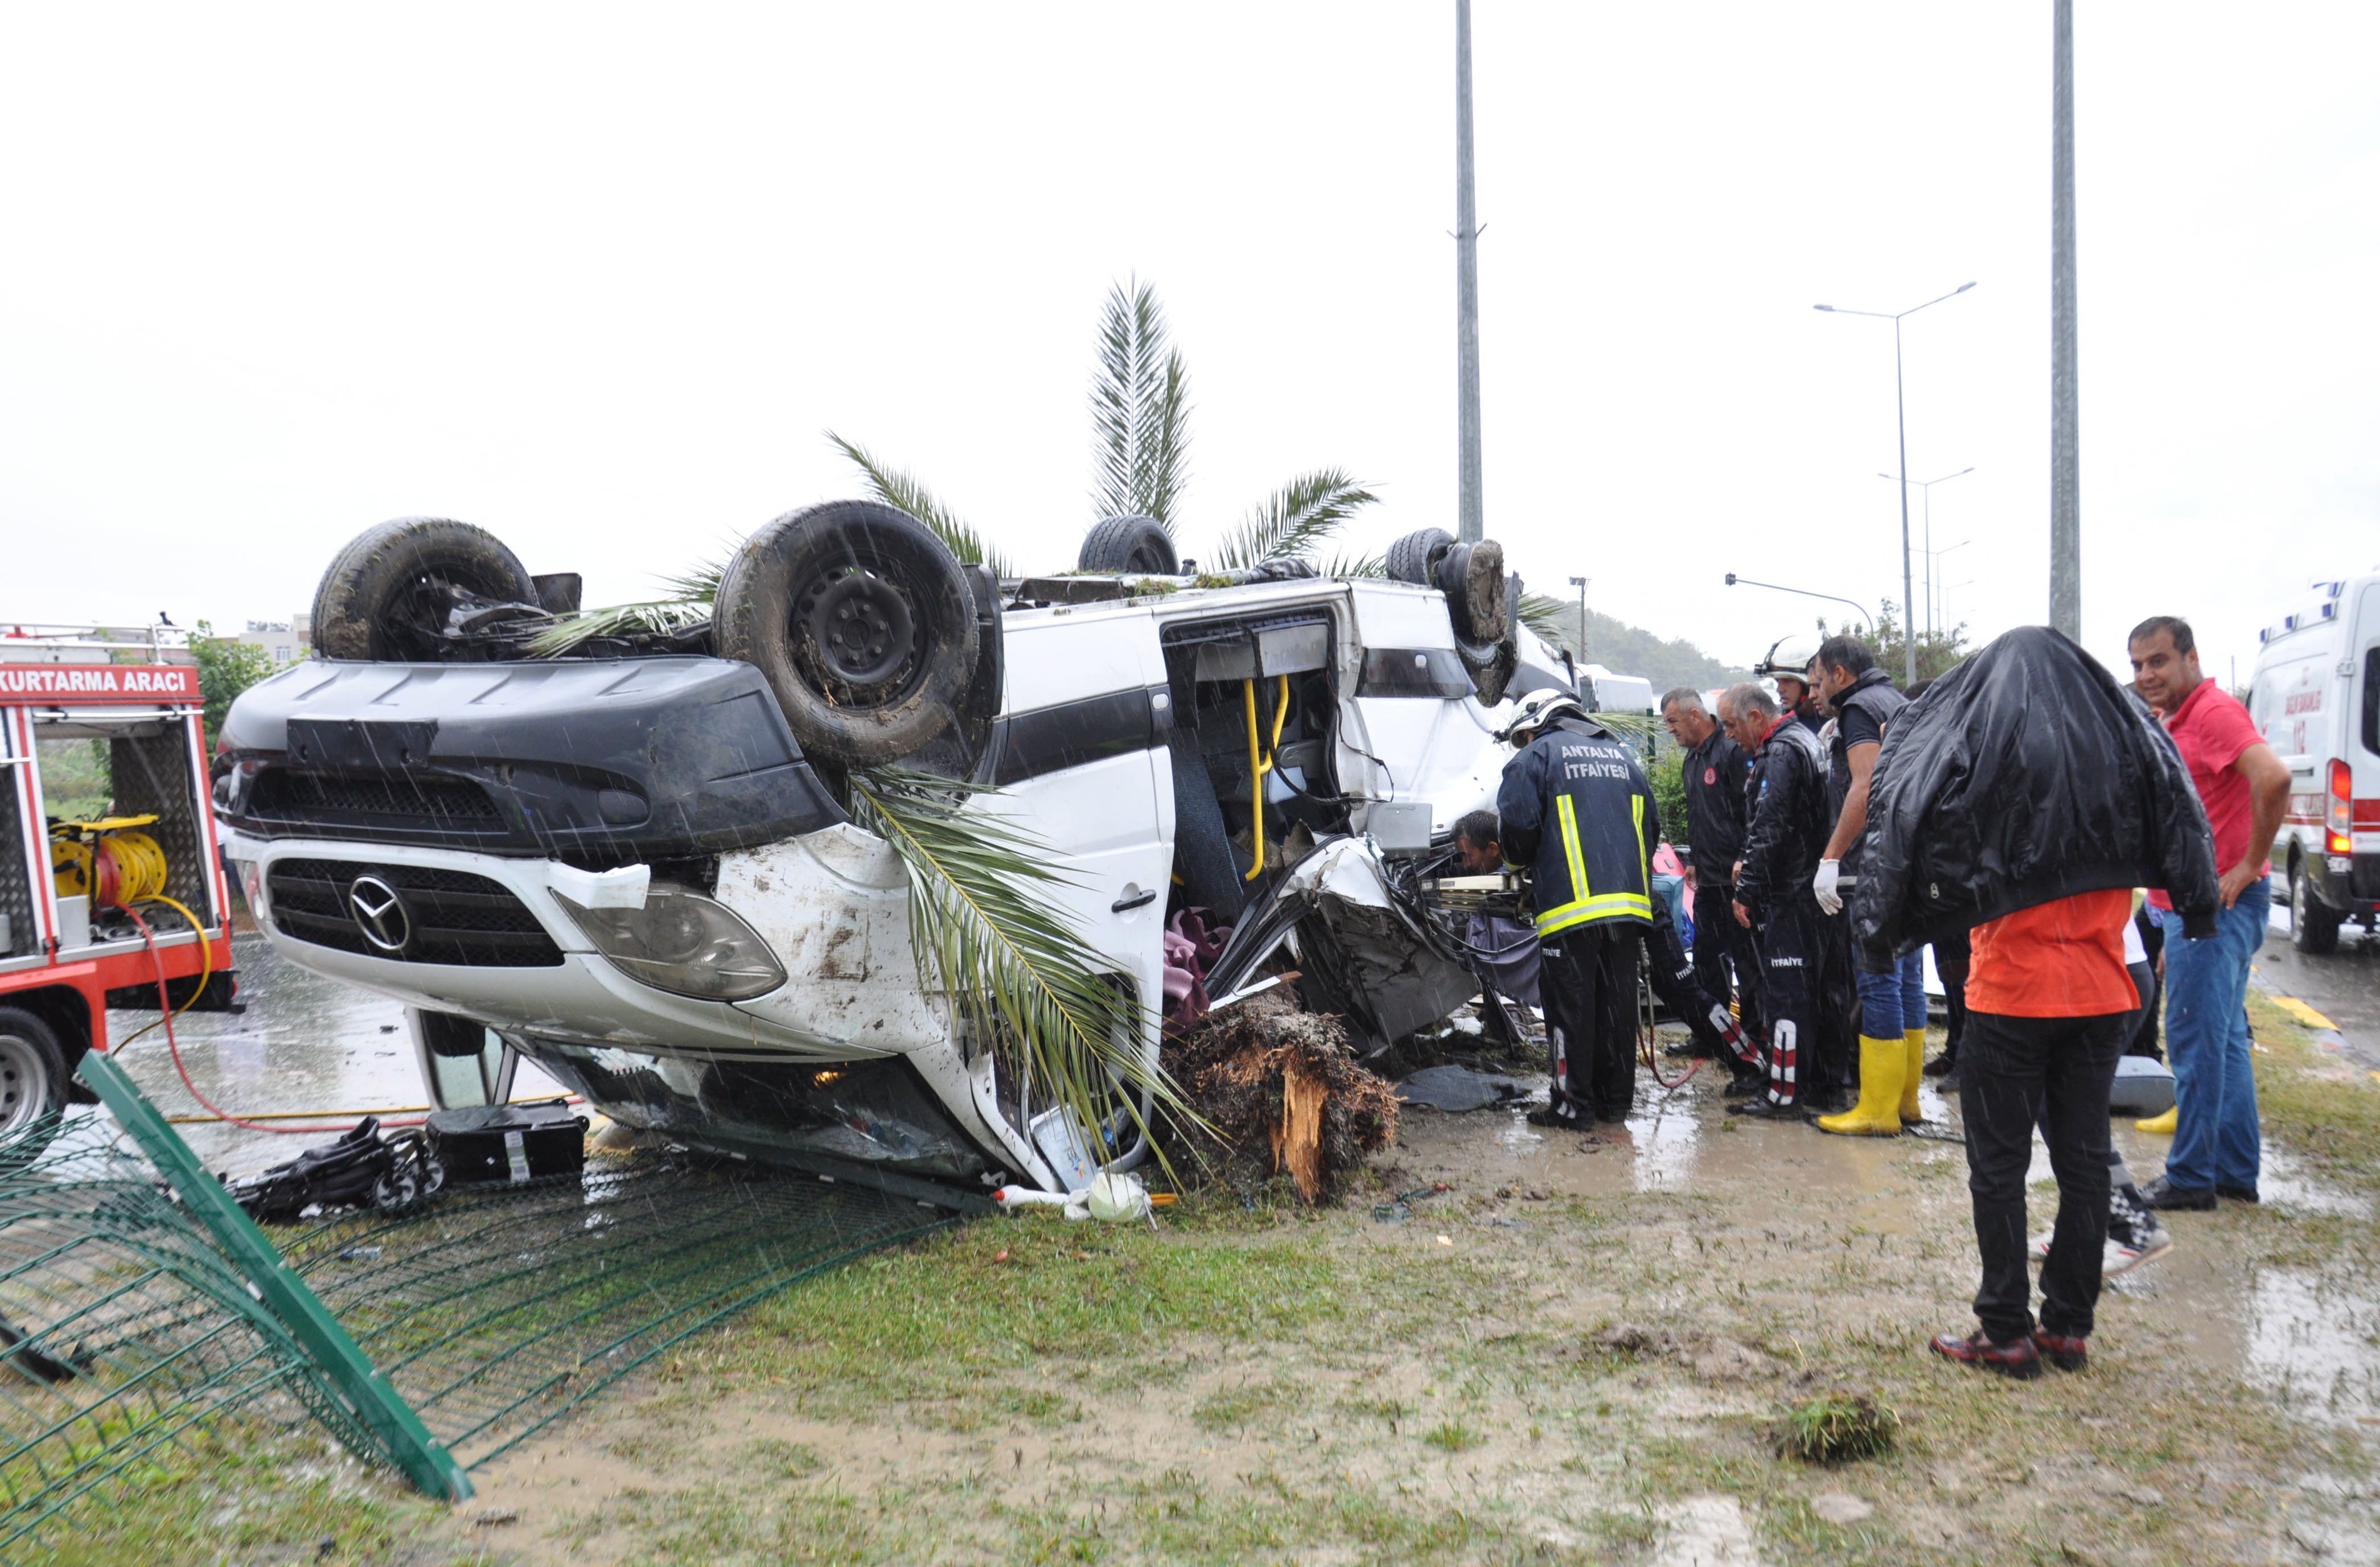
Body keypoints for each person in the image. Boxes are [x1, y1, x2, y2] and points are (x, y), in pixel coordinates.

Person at [1845, 625, 2218, 1379]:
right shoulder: (2120, 754)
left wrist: (1881, 929)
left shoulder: (1988, 761)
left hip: (2013, 996)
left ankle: (2004, 1331)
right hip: (2103, 993)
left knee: (1999, 1168)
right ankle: (2067, 1329)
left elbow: (1908, 820)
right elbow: (2183, 823)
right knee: (2083, 1165)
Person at [2128, 615, 2290, 1211]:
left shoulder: (2213, 712)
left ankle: (2191, 1177)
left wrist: (2249, 864)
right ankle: (2231, 1172)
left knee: (2195, 1045)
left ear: (2189, 659)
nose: (2147, 674)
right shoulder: (2177, 718)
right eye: (2138, 664)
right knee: (2222, 1043)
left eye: (2158, 661)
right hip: (2191, 909)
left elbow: (2272, 778)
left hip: (2215, 905)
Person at [1496, 688, 1660, 1128]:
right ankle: (1614, 1104)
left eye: (1522, 736)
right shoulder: (1623, 757)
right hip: (1627, 907)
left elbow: (1516, 830)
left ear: (1534, 724)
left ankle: (1572, 1106)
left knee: (1570, 1013)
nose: (1522, 745)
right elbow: (1652, 829)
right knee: (1615, 1009)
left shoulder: (1534, 759)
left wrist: (1516, 868)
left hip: (1570, 910)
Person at [1807, 636, 1922, 1134]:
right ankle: (1906, 1100)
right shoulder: (1897, 701)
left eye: (1816, 682)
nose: (1814, 693)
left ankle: (1876, 1110)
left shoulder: (1857, 709)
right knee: (1907, 978)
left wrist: (1830, 856)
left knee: (1877, 978)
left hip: (1870, 863)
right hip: (1908, 858)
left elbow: (1864, 783)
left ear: (1838, 673)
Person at [1724, 681, 1832, 1120]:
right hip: (1809, 887)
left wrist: (1747, 888)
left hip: (1790, 892)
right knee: (1812, 994)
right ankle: (1820, 1083)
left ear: (1755, 717)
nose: (1727, 734)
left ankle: (1783, 1094)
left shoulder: (1782, 751)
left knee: (1787, 997)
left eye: (1731, 724)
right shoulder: (1806, 738)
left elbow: (1770, 825)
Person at [1662, 686, 1763, 1059]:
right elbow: (1701, 818)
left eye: (1673, 721)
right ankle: (1710, 1034)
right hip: (1707, 880)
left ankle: (1752, 1039)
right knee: (1705, 959)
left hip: (1737, 881)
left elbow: (1750, 811)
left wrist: (1743, 859)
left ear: (1694, 715)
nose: (1670, 730)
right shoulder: (1692, 761)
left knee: (1747, 962)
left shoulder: (1731, 750)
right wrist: (1693, 860)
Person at [1756, 634, 1826, 733]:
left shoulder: (1836, 724)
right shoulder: (1778, 727)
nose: (1779, 689)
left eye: (1788, 681)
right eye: (1778, 681)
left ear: (1807, 684)